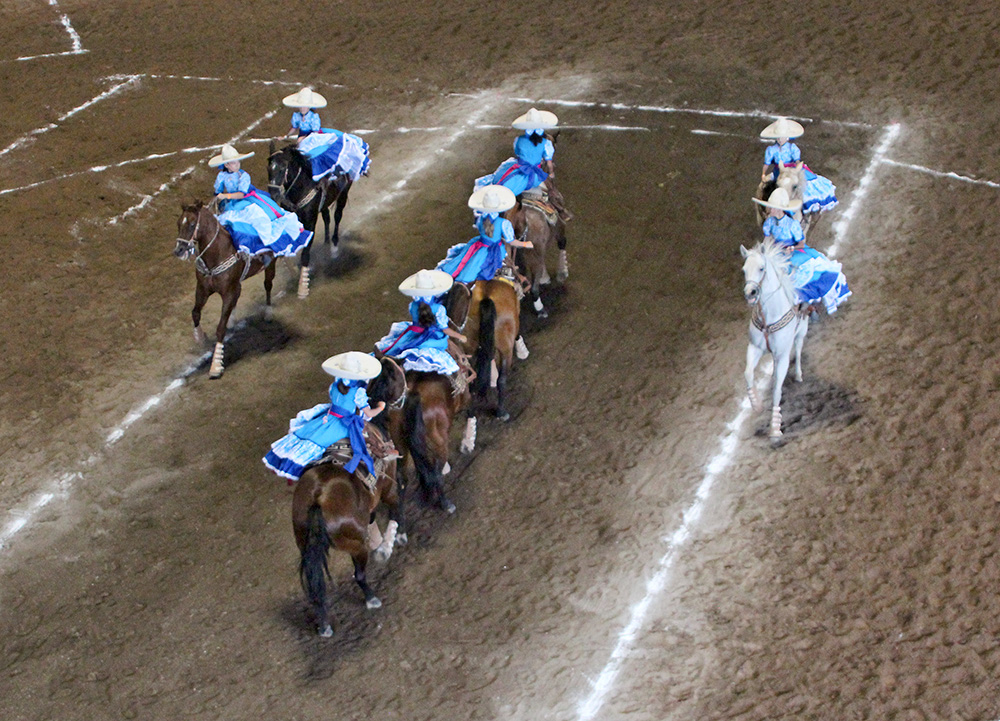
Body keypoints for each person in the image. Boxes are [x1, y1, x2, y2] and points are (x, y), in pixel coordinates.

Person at [263, 352, 386, 482]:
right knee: (370, 444)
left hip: (327, 417)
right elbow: (369, 414)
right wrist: (381, 407)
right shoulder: (358, 392)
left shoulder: (334, 386)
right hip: (343, 425)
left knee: (307, 435)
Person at [752, 188, 851, 314]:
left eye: (772, 208)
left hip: (793, 252)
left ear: (779, 209)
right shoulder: (769, 223)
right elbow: (767, 239)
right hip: (777, 252)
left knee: (798, 274)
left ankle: (808, 306)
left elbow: (801, 243)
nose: (770, 210)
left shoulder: (792, 225)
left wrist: (792, 248)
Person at [376, 269, 475, 392]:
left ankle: (399, 370)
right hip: (435, 339)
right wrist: (460, 337)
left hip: (415, 334)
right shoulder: (438, 309)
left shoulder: (413, 306)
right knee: (452, 353)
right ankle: (460, 382)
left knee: (396, 347)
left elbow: (416, 322)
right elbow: (445, 330)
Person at [209, 143, 312, 257]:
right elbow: (217, 191)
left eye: (238, 162)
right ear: (227, 165)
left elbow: (241, 194)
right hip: (231, 203)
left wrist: (226, 196)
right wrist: (217, 197)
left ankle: (265, 250)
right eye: (234, 163)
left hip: (246, 199)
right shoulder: (221, 176)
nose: (237, 165)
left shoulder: (244, 176)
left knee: (260, 218)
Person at [437, 185, 533, 283]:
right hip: (497, 251)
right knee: (510, 267)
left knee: (466, 264)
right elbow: (511, 242)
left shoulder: (480, 219)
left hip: (479, 248)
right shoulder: (503, 223)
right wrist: (525, 244)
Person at [282, 87, 371, 182]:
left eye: (305, 106)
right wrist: (286, 136)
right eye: (301, 106)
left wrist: (304, 138)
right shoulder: (296, 116)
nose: (302, 108)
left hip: (313, 137)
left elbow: (315, 132)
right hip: (302, 139)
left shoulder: (314, 117)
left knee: (317, 154)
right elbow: (294, 128)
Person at [760, 117, 838, 214]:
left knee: (803, 183)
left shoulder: (792, 148)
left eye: (782, 137)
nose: (780, 139)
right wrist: (763, 174)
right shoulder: (771, 150)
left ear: (787, 137)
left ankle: (807, 206)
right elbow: (766, 163)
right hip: (779, 171)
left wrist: (798, 167)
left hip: (792, 169)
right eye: (779, 137)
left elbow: (797, 160)